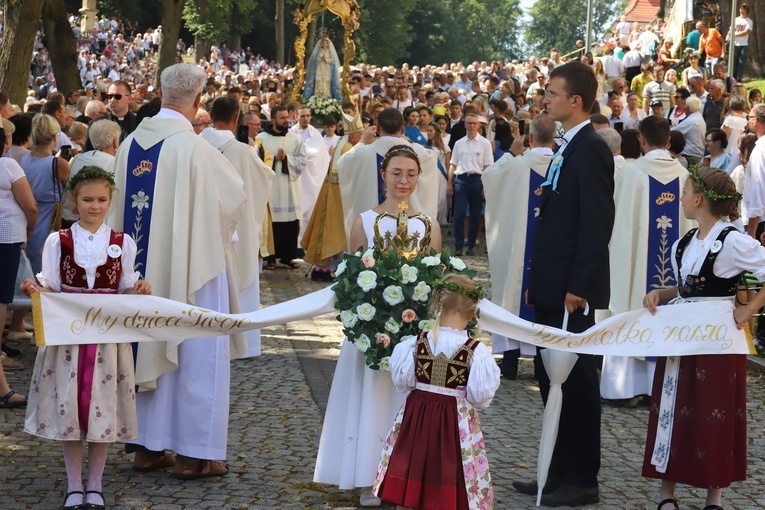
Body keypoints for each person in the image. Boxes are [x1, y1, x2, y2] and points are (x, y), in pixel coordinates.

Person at [106, 64, 247, 479]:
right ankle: (192, 455)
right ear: (199, 100)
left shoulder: (130, 144)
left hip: (139, 278)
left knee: (144, 344)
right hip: (191, 273)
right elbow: (232, 203)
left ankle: (146, 450)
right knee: (196, 355)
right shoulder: (196, 149)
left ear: (159, 93)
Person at [314, 145, 442, 507]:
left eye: (411, 174)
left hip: (413, 333)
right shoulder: (365, 221)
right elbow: (353, 281)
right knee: (371, 397)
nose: (404, 180)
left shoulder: (429, 226)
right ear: (383, 175)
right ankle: (369, 475)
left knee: (407, 403)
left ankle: (405, 479)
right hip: (372, 333)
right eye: (397, 173)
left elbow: (435, 283)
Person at [513, 61, 614, 507]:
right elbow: (554, 221)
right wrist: (540, 280)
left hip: (575, 291)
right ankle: (552, 473)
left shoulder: (591, 148)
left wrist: (578, 284)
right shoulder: (565, 145)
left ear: (576, 101)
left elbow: (596, 225)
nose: (544, 99)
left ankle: (580, 478)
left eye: (552, 93)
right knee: (548, 377)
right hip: (554, 285)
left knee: (576, 384)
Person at [21, 167, 150, 510]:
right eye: (87, 200)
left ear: (110, 201)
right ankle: (74, 483)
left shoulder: (122, 242)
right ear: (74, 202)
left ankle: (95, 484)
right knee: (70, 411)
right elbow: (51, 285)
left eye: (102, 200)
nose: (95, 206)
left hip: (107, 341)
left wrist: (138, 287)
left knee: (102, 409)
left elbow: (124, 287)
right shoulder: (58, 240)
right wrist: (37, 288)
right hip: (69, 340)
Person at [642, 167, 758, 510]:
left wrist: (747, 309)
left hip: (718, 342)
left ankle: (714, 497)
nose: (680, 197)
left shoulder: (732, 240)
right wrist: (662, 293)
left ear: (699, 199)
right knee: (673, 406)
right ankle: (667, 496)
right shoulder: (685, 243)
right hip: (682, 337)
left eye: (685, 190)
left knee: (714, 411)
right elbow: (690, 287)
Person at [373, 273, 500, 509]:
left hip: (417, 416)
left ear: (438, 305)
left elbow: (403, 382)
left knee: (414, 463)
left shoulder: (415, 343)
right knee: (449, 468)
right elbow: (479, 396)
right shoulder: (476, 352)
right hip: (455, 420)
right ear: (472, 313)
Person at [601, 116, 691, 408]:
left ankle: (623, 388)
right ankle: (662, 390)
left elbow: (614, 224)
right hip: (672, 280)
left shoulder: (630, 174)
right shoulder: (685, 178)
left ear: (641, 139)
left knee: (629, 304)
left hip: (634, 273)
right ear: (668, 141)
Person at [200, 95, 274, 358]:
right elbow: (264, 180)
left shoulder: (196, 145)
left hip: (203, 228)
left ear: (210, 116)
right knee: (241, 279)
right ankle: (244, 345)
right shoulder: (243, 151)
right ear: (235, 120)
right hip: (236, 232)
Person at [484, 115, 555, 379]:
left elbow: (489, 179)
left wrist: (509, 154)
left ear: (530, 138)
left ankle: (511, 361)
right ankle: (540, 363)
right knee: (545, 296)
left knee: (514, 291)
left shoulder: (515, 165)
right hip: (550, 251)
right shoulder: (562, 166)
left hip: (518, 247)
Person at [337, 108, 438, 249]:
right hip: (409, 230)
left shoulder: (361, 154)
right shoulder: (418, 153)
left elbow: (342, 163)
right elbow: (432, 160)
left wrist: (361, 141)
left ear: (377, 129)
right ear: (402, 130)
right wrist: (407, 142)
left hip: (370, 229)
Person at [302, 109, 364, 281]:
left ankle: (324, 269)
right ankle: (329, 269)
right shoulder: (348, 148)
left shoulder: (344, 145)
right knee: (336, 232)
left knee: (332, 232)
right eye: (360, 134)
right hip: (340, 197)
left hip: (335, 194)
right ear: (353, 135)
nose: (362, 137)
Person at [0, 127, 36, 403]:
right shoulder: (8, 164)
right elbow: (30, 206)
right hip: (6, 241)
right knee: (0, 303)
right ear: (7, 142)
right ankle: (2, 390)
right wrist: (30, 229)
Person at [257, 105, 307, 269]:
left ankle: (288, 256)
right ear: (273, 120)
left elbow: (303, 161)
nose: (286, 121)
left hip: (289, 188)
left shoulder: (295, 139)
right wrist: (275, 160)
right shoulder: (261, 139)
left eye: (287, 117)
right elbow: (256, 163)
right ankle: (270, 258)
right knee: (272, 222)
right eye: (282, 118)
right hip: (270, 188)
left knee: (290, 222)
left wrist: (286, 159)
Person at [20, 114, 71, 275]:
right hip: (51, 221)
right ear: (55, 137)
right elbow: (71, 193)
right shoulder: (58, 164)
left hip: (28, 220)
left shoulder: (24, 159)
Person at [448, 112, 493, 256]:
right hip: (461, 179)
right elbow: (453, 164)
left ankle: (471, 245)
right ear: (465, 124)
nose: (472, 126)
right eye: (469, 123)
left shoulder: (485, 143)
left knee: (475, 215)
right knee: (459, 213)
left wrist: (486, 186)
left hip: (477, 180)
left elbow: (488, 167)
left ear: (479, 125)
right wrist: (450, 183)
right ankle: (459, 244)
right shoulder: (459, 143)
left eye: (475, 123)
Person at [62, 120, 121, 227]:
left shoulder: (77, 158)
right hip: (100, 223)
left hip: (71, 220)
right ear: (115, 141)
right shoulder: (115, 163)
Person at [290, 106, 331, 247]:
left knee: (310, 213)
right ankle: (295, 244)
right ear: (296, 116)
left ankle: (307, 243)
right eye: (302, 116)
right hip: (296, 177)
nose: (306, 118)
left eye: (308, 116)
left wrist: (302, 156)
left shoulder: (315, 134)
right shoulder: (290, 133)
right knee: (296, 210)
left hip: (312, 179)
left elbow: (320, 155)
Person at [425, 121, 450, 226]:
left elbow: (448, 164)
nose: (428, 133)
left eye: (431, 131)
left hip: (442, 174)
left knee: (442, 197)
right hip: (430, 174)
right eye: (427, 131)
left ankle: (442, 219)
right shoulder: (425, 147)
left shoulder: (445, 148)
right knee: (431, 196)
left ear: (436, 132)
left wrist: (450, 180)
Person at [304, 36, 342, 100]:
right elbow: (314, 61)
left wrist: (326, 59)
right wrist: (320, 59)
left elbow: (333, 61)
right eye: (323, 43)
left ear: (328, 44)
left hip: (327, 70)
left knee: (326, 83)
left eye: (326, 43)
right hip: (319, 70)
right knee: (318, 82)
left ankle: (327, 98)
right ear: (321, 44)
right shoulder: (318, 52)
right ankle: (317, 98)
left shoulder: (330, 52)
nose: (324, 44)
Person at [671, 97, 705, 165]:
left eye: (685, 106)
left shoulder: (691, 120)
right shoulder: (698, 117)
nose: (684, 108)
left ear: (688, 108)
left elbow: (672, 132)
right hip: (698, 154)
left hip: (690, 156)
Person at [731, 3, 753, 82]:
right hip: (735, 44)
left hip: (743, 44)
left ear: (747, 10)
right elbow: (731, 29)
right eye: (741, 9)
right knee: (734, 61)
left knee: (742, 61)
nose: (741, 10)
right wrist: (728, 35)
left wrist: (735, 34)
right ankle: (733, 77)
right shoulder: (735, 19)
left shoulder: (749, 21)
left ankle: (739, 77)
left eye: (743, 9)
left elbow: (745, 32)